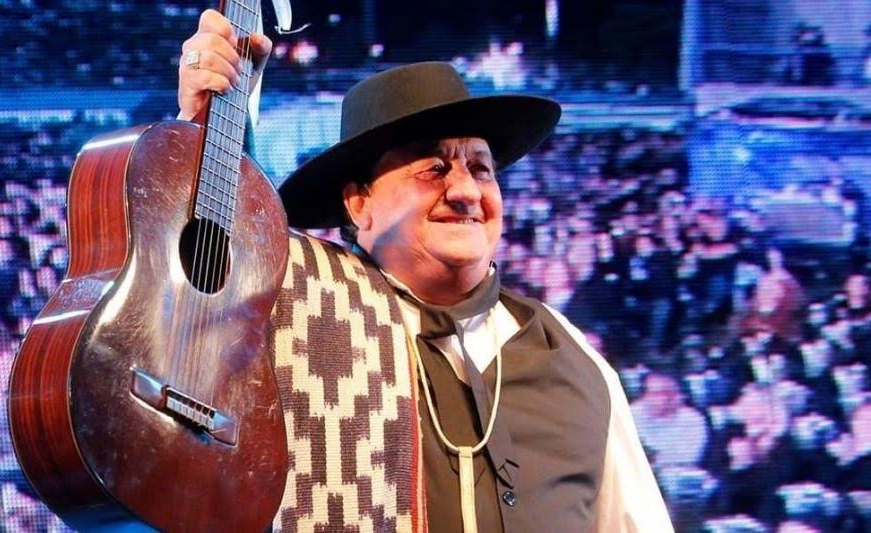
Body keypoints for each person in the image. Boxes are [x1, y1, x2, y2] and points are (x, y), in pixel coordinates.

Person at [177, 9, 672, 533]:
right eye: (434, 169)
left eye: (480, 168)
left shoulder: (570, 357)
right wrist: (203, 127)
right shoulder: (293, 319)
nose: (466, 191)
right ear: (359, 204)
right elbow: (197, 301)